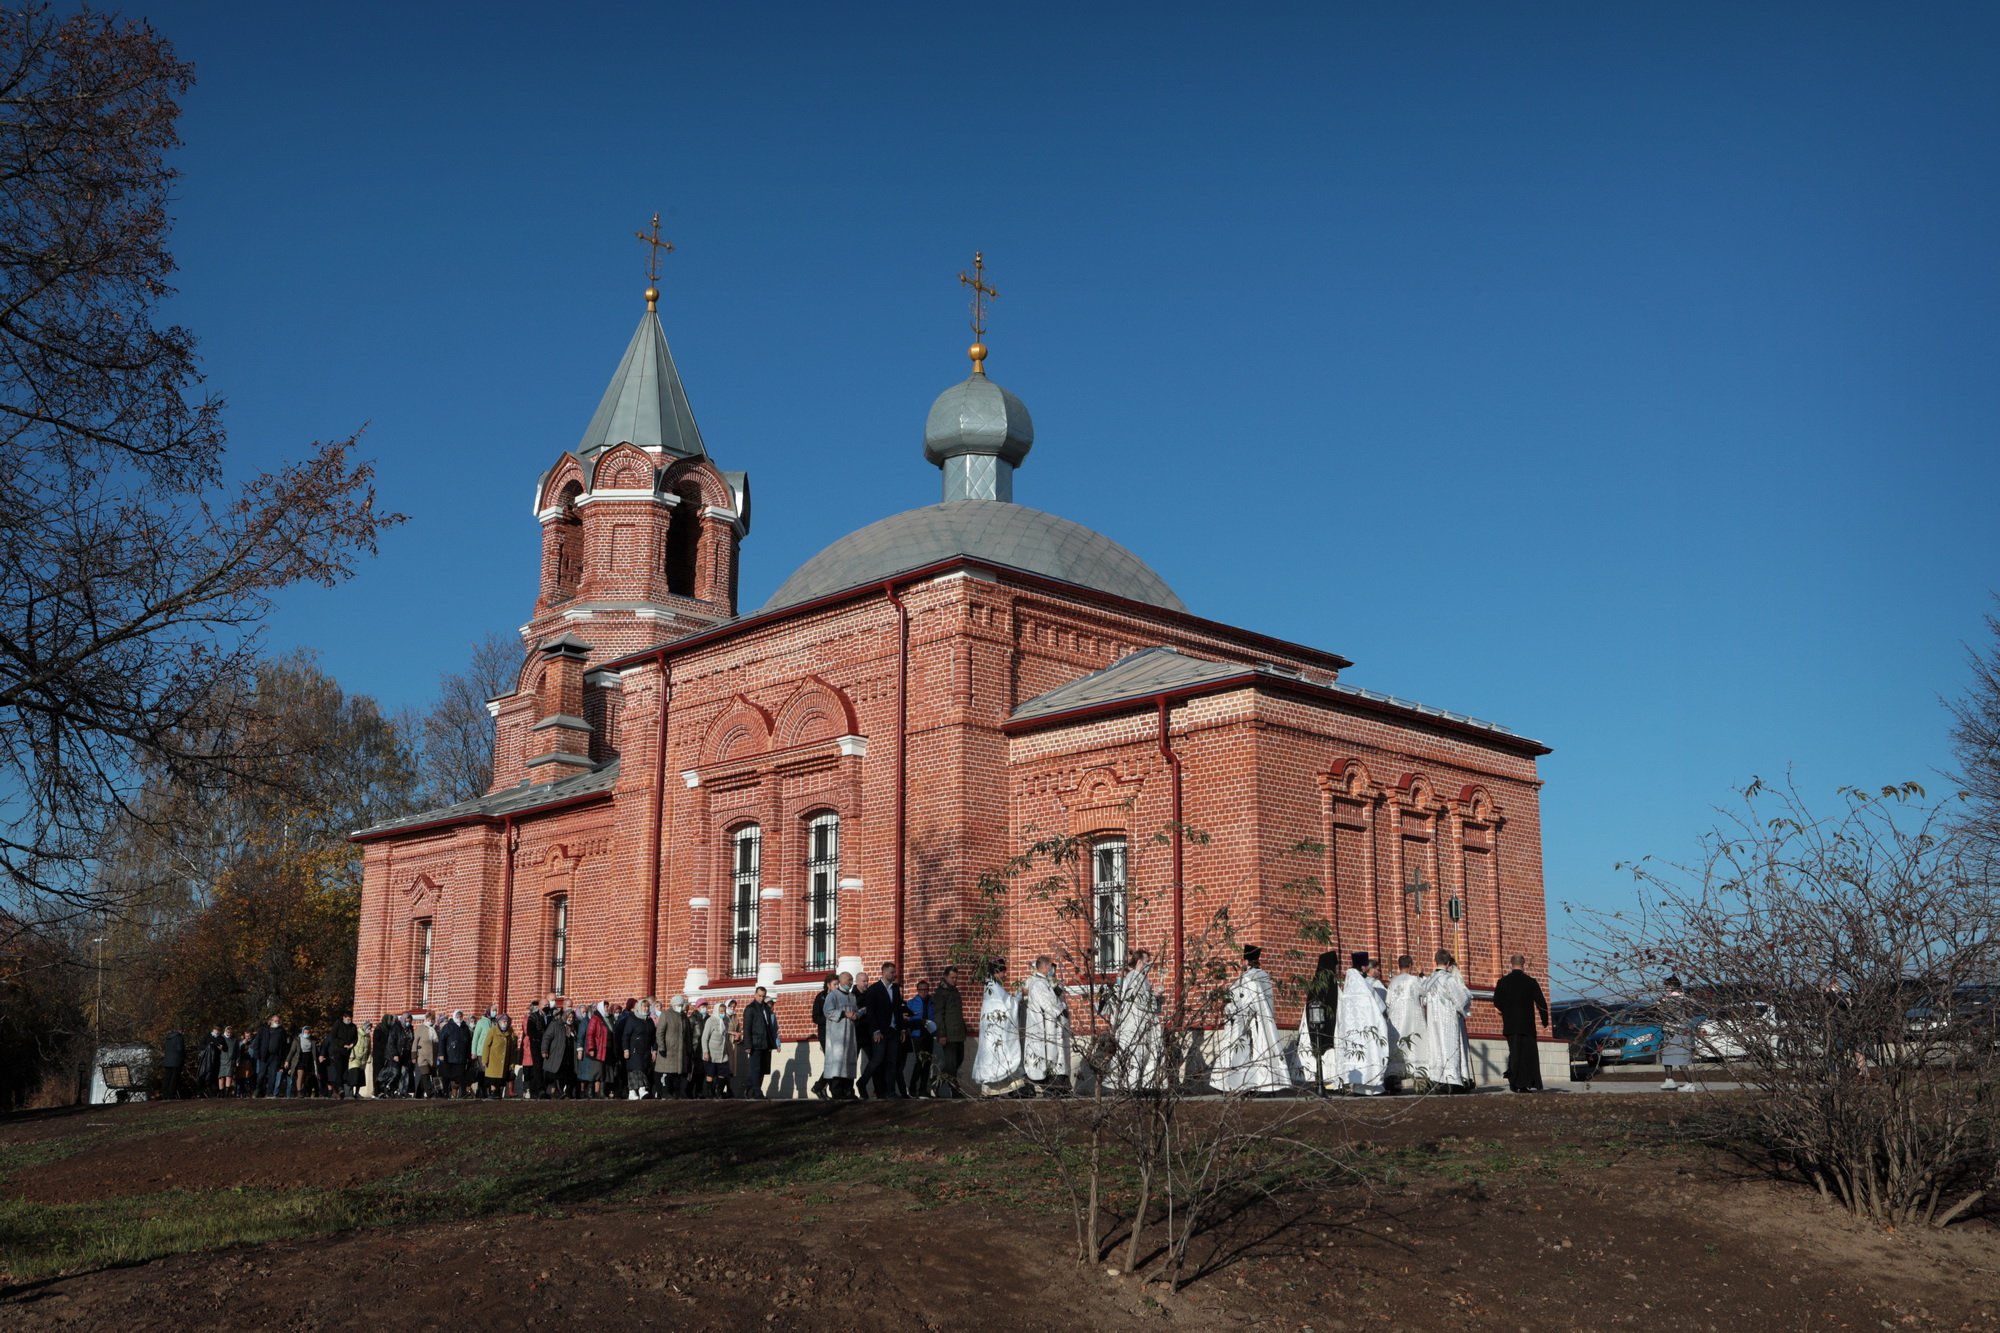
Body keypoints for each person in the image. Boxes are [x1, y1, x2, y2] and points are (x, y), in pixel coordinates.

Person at [1214, 945, 1288, 1094]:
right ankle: (1266, 1083)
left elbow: (1240, 1002)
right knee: (1263, 1051)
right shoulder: (1264, 976)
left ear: (1246, 961)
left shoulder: (1247, 978)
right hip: (1264, 1023)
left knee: (1241, 1051)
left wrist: (1228, 1006)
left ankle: (1238, 1083)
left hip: (1247, 1022)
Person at [1104, 949, 1165, 1092]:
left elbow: (1146, 999)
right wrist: (1154, 995)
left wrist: (1156, 996)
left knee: (1145, 1053)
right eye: (1146, 962)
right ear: (1139, 962)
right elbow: (1137, 1001)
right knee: (1135, 1053)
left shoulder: (1142, 979)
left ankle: (1142, 1084)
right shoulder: (1132, 978)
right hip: (1134, 1023)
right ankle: (1130, 1086)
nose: (1148, 965)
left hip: (1143, 1021)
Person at [1491, 954, 1550, 1092]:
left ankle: (1514, 1082)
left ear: (1511, 964)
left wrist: (1504, 1010)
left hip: (1511, 1024)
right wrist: (1545, 1020)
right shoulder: (1530, 982)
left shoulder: (1503, 982)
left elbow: (1497, 1002)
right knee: (1527, 1055)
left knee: (1515, 1053)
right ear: (1523, 964)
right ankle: (1524, 1083)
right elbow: (1541, 1003)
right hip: (1527, 1024)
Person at [1332, 952, 1388, 1095]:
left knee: (1356, 1056)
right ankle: (1372, 1088)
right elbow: (1380, 1005)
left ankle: (1357, 1086)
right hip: (1366, 1028)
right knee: (1369, 1054)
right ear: (1363, 967)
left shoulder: (1349, 983)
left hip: (1352, 1030)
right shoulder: (1363, 984)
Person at [1417, 949, 1472, 1091]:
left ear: (1435, 962)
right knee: (1449, 1048)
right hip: (1447, 1021)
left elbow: (1421, 1000)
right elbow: (1461, 999)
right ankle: (1452, 1081)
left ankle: (1438, 1080)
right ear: (1448, 963)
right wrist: (1466, 993)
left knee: (1437, 1050)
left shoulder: (1428, 981)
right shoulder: (1449, 980)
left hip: (1433, 1021)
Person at [971, 959, 1025, 1094]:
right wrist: (1019, 995)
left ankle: (993, 1085)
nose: (1005, 975)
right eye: (1003, 972)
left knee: (993, 1054)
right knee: (995, 1054)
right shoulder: (993, 987)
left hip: (993, 1031)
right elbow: (1009, 1006)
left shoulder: (992, 986)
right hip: (995, 1032)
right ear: (996, 973)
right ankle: (990, 1085)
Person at [1022, 956, 1072, 1094]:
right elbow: (1048, 1003)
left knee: (1055, 1055)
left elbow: (1055, 997)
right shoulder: (1038, 984)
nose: (1051, 969)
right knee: (1045, 1056)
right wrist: (1061, 1009)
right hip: (1042, 1027)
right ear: (1044, 967)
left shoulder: (1045, 982)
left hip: (1051, 1025)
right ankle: (1041, 1086)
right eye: (1049, 966)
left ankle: (1058, 1085)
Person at [1296, 950, 1343, 1087]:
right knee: (1326, 1050)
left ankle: (1315, 1079)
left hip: (1311, 1023)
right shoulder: (1329, 981)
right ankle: (1328, 1080)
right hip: (1328, 1024)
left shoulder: (1316, 981)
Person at [861, 962, 906, 1099]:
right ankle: (862, 1082)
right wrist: (875, 1030)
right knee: (878, 1059)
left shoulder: (895, 989)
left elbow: (898, 1009)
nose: (894, 974)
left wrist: (902, 1028)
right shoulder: (874, 989)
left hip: (893, 1030)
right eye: (892, 972)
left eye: (894, 972)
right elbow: (871, 1012)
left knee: (892, 1061)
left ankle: (891, 1091)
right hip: (880, 1031)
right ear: (884, 972)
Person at [1384, 955, 1425, 1092]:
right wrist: (1421, 974)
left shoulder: (1392, 982)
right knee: (1414, 1048)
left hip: (1396, 1022)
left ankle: (1394, 1080)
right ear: (1411, 966)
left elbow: (1388, 1003)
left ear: (1398, 966)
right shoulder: (1414, 980)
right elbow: (1425, 992)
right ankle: (1419, 1080)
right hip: (1412, 1021)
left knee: (1397, 1049)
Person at [821, 972, 862, 1098]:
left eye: (851, 980)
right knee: (838, 1063)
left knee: (849, 1061)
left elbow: (854, 1011)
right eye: (849, 980)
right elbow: (827, 1011)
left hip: (850, 1034)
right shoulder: (833, 995)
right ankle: (837, 1091)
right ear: (842, 981)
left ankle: (848, 1090)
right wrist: (845, 1014)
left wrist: (857, 1014)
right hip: (837, 1035)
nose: (851, 982)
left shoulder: (852, 996)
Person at [932, 966, 968, 1097]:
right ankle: (955, 1091)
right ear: (945, 976)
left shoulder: (954, 991)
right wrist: (941, 1034)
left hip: (959, 1033)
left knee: (958, 1060)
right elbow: (938, 1015)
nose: (955, 980)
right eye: (952, 977)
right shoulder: (941, 993)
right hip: (948, 1035)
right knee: (951, 1065)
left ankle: (936, 1082)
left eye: (956, 977)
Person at [1660, 976, 1697, 1093]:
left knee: (1680, 1059)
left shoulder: (1675, 1000)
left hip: (1678, 1032)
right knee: (1667, 1056)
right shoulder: (1682, 998)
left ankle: (1690, 1084)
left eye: (1667, 986)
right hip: (1673, 1032)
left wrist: (1661, 1006)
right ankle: (1669, 1080)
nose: (1666, 988)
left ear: (1672, 986)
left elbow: (1673, 1014)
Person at [741, 987, 778, 1098]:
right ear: (755, 995)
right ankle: (757, 1092)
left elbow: (769, 1027)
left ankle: (748, 1085)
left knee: (762, 1069)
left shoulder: (766, 1008)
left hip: (765, 1043)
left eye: (763, 996)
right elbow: (747, 1028)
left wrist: (772, 1043)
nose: (761, 998)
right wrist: (748, 1045)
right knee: (755, 1068)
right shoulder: (750, 1009)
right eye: (759, 995)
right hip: (755, 1043)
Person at [655, 996, 693, 1097]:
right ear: (673, 1005)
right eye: (678, 1005)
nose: (679, 1007)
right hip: (669, 1049)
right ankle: (666, 1092)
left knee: (678, 1073)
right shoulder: (666, 1015)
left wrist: (688, 1049)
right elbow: (660, 1032)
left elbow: (687, 1035)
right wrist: (662, 1047)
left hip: (680, 1050)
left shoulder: (683, 1016)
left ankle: (677, 1092)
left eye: (681, 1005)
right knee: (668, 1073)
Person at [905, 981, 935, 1097]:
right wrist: (918, 1021)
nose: (924, 992)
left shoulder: (932, 1002)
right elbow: (907, 1019)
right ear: (917, 990)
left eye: (926, 989)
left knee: (927, 1063)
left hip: (929, 1035)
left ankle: (923, 1089)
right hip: (917, 1035)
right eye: (921, 990)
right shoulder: (911, 1003)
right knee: (919, 1062)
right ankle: (912, 1088)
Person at [621, 1000, 657, 1099]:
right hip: (634, 1050)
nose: (646, 1009)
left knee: (642, 1069)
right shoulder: (632, 1019)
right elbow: (626, 1035)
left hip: (645, 1050)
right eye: (644, 1007)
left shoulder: (649, 1021)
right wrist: (626, 1049)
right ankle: (641, 1089)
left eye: (647, 1007)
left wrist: (654, 1049)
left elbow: (653, 1037)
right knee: (637, 1069)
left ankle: (632, 1091)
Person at [539, 1005, 576, 1097]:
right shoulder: (555, 1025)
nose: (570, 1019)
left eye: (572, 1017)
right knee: (556, 1073)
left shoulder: (573, 1028)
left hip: (568, 1055)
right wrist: (544, 1050)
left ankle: (560, 1092)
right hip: (556, 1054)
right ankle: (558, 1092)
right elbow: (547, 1037)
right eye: (569, 1017)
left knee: (564, 1074)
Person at [700, 998, 733, 1098]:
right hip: (711, 1053)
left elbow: (725, 1033)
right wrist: (705, 1052)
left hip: (722, 1053)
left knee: (722, 1073)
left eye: (724, 1011)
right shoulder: (711, 1021)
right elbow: (704, 1037)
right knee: (710, 1074)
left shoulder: (726, 1020)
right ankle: (709, 1093)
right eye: (721, 1011)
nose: (722, 1013)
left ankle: (718, 1091)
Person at [479, 1014, 517, 1097]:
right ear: (498, 1022)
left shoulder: (509, 1032)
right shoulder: (493, 1031)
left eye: (506, 1021)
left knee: (500, 1078)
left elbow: (512, 1048)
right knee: (493, 1078)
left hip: (504, 1060)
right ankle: (493, 1091)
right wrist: (484, 1060)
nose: (505, 1023)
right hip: (493, 1060)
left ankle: (497, 1092)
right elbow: (486, 1046)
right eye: (503, 1021)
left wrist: (512, 1063)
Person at [810, 975, 835, 1099]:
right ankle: (820, 1086)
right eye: (835, 984)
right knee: (831, 1063)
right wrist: (829, 1018)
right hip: (825, 1035)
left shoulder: (838, 997)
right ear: (828, 985)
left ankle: (820, 1087)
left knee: (833, 1063)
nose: (837, 987)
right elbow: (815, 1017)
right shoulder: (821, 997)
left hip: (836, 1035)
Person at [253, 1015, 288, 1098]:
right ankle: (258, 1090)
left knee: (272, 1075)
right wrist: (257, 1054)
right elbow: (257, 1042)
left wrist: (283, 1058)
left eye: (279, 1021)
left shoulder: (282, 1031)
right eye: (275, 1020)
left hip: (275, 1057)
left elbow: (284, 1046)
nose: (277, 1022)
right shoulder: (264, 1029)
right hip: (264, 1056)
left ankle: (269, 1093)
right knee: (261, 1075)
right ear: (271, 1021)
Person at [583, 1002, 613, 1098]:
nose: (607, 1008)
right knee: (595, 1072)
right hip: (598, 1049)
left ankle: (601, 1092)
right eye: (606, 1006)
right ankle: (590, 1092)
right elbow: (590, 1034)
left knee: (604, 1072)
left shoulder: (608, 1019)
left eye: (608, 1006)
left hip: (607, 1049)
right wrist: (591, 1048)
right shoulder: (595, 1019)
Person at [284, 1023, 320, 1098]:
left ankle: (302, 1090)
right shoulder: (297, 1040)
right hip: (300, 1059)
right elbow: (292, 1051)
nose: (307, 1033)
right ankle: (299, 1091)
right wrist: (287, 1060)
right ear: (303, 1032)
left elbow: (314, 1051)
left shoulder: (312, 1040)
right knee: (300, 1075)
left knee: (305, 1077)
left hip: (308, 1059)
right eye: (305, 1032)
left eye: (308, 1032)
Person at [330, 1014, 358, 1100]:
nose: (349, 1020)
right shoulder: (338, 1024)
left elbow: (355, 1038)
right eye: (348, 1018)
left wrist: (352, 1044)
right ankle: (339, 1089)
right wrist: (343, 1045)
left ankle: (336, 1089)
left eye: (350, 1019)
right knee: (339, 1070)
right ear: (344, 1018)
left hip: (347, 1052)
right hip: (338, 1051)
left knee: (344, 1071)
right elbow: (333, 1037)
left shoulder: (353, 1026)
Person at [159, 1027, 186, 1100]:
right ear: (180, 1030)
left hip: (167, 1061)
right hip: (176, 1061)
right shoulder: (179, 1037)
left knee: (167, 1078)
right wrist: (184, 1056)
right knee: (174, 1079)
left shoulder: (168, 1037)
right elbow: (180, 1049)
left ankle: (165, 1094)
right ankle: (171, 1095)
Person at [348, 1021, 372, 1097]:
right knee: (354, 1075)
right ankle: (350, 1092)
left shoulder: (368, 1037)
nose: (370, 1030)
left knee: (360, 1077)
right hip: (355, 1058)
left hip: (363, 1060)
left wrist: (368, 1058)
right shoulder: (357, 1034)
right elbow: (352, 1044)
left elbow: (368, 1048)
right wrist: (351, 1055)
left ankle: (357, 1093)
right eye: (369, 1028)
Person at [217, 1026, 237, 1098]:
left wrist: (237, 1060)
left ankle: (226, 1094)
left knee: (229, 1077)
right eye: (228, 1032)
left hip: (231, 1061)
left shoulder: (234, 1040)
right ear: (225, 1031)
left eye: (230, 1032)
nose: (229, 1033)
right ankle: (221, 1094)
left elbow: (237, 1051)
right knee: (221, 1077)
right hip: (221, 1060)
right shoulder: (221, 1038)